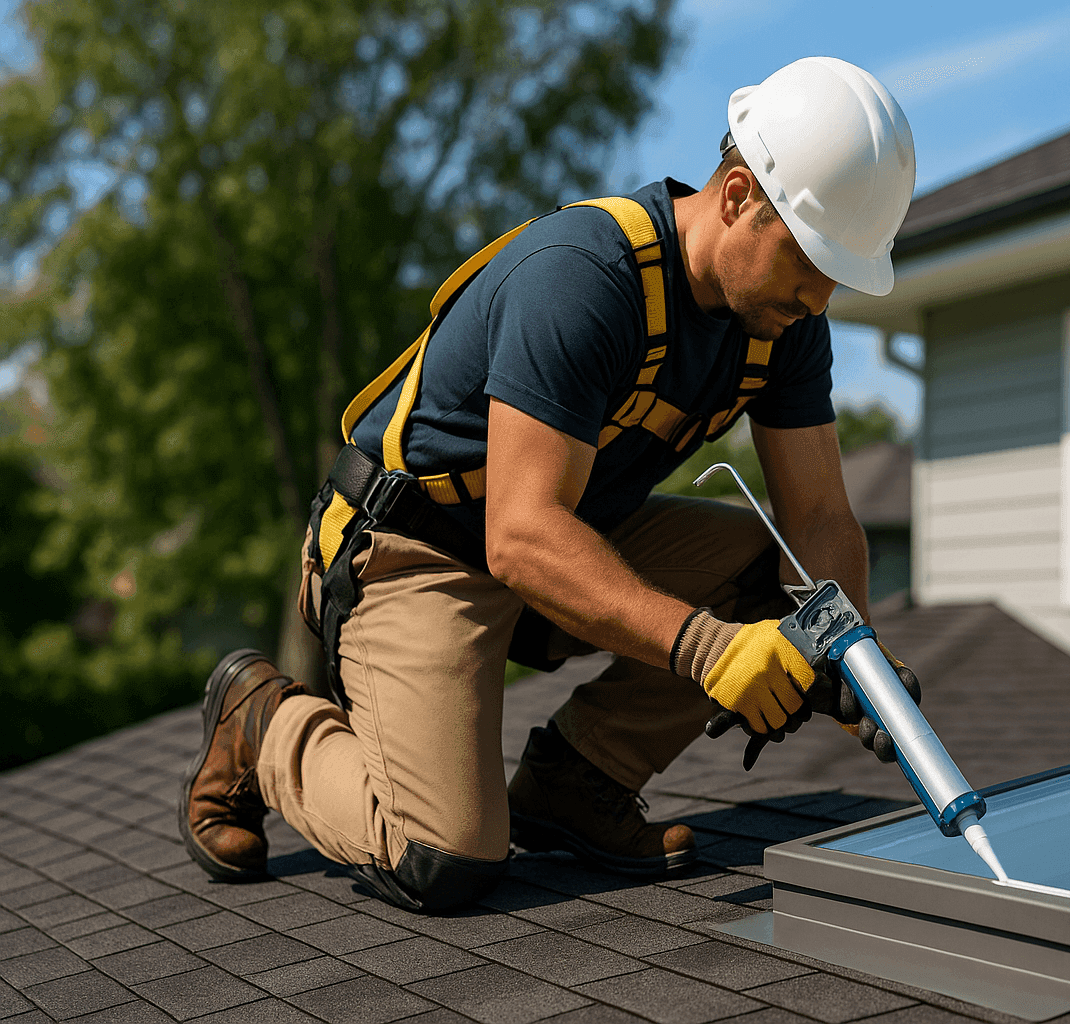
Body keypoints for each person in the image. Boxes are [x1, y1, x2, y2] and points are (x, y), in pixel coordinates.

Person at [179, 56, 919, 912]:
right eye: (811, 257)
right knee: (442, 856)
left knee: (780, 589)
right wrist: (711, 650)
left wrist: (848, 650)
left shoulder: (784, 323)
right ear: (738, 196)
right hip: (416, 549)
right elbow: (520, 535)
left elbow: (821, 516)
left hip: (559, 545)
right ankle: (264, 722)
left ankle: (576, 783)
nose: (821, 294)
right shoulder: (586, 278)